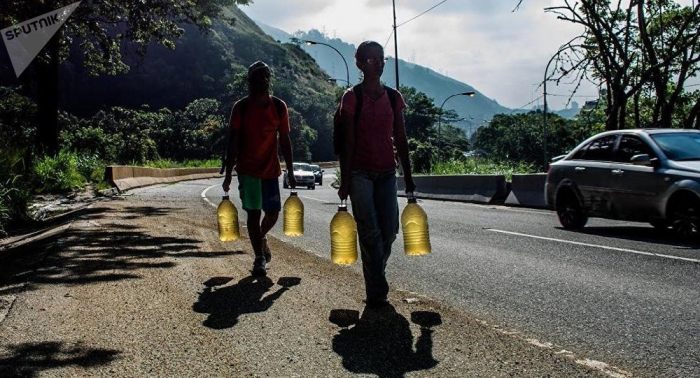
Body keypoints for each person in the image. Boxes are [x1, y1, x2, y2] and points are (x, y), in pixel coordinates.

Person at [337, 41, 416, 308]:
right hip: (360, 172)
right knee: (369, 231)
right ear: (359, 64)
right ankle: (377, 290)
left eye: (381, 58)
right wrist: (345, 181)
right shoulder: (351, 97)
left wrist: (409, 176)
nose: (378, 63)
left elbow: (401, 139)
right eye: (371, 60)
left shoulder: (394, 97)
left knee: (390, 231)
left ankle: (376, 274)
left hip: (386, 173)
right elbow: (346, 143)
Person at [223, 61, 296, 276]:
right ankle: (259, 259)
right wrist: (228, 175)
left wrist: (291, 171)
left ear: (269, 80)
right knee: (253, 215)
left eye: (265, 76)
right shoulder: (241, 107)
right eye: (257, 77)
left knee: (272, 214)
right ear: (250, 82)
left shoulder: (279, 107)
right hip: (248, 171)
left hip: (271, 171)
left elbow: (285, 140)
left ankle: (261, 237)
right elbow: (233, 143)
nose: (262, 80)